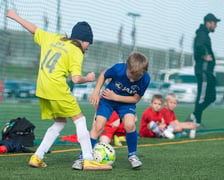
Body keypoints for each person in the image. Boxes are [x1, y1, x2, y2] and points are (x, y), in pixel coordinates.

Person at [6, 9, 111, 170]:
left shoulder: (53, 38)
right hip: (57, 88)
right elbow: (76, 79)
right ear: (83, 40)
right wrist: (89, 79)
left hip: (42, 88)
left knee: (60, 122)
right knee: (80, 120)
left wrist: (14, 16)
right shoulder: (76, 51)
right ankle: (88, 159)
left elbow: (33, 28)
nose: (88, 47)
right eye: (89, 42)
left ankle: (37, 156)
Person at [73, 52, 150, 170]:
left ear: (143, 73)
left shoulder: (145, 79)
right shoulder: (118, 69)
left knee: (130, 124)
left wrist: (116, 97)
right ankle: (83, 157)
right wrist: (96, 91)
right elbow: (104, 74)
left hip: (125, 102)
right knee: (98, 126)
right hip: (107, 100)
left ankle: (132, 156)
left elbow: (135, 98)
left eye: (136, 77)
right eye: (130, 75)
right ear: (127, 66)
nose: (132, 80)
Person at [189, 13, 221, 127]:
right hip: (203, 71)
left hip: (208, 72)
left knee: (211, 97)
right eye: (214, 23)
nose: (216, 26)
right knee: (202, 96)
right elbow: (199, 46)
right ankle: (196, 121)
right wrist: (204, 55)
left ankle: (195, 115)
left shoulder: (205, 34)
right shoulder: (202, 34)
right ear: (208, 23)